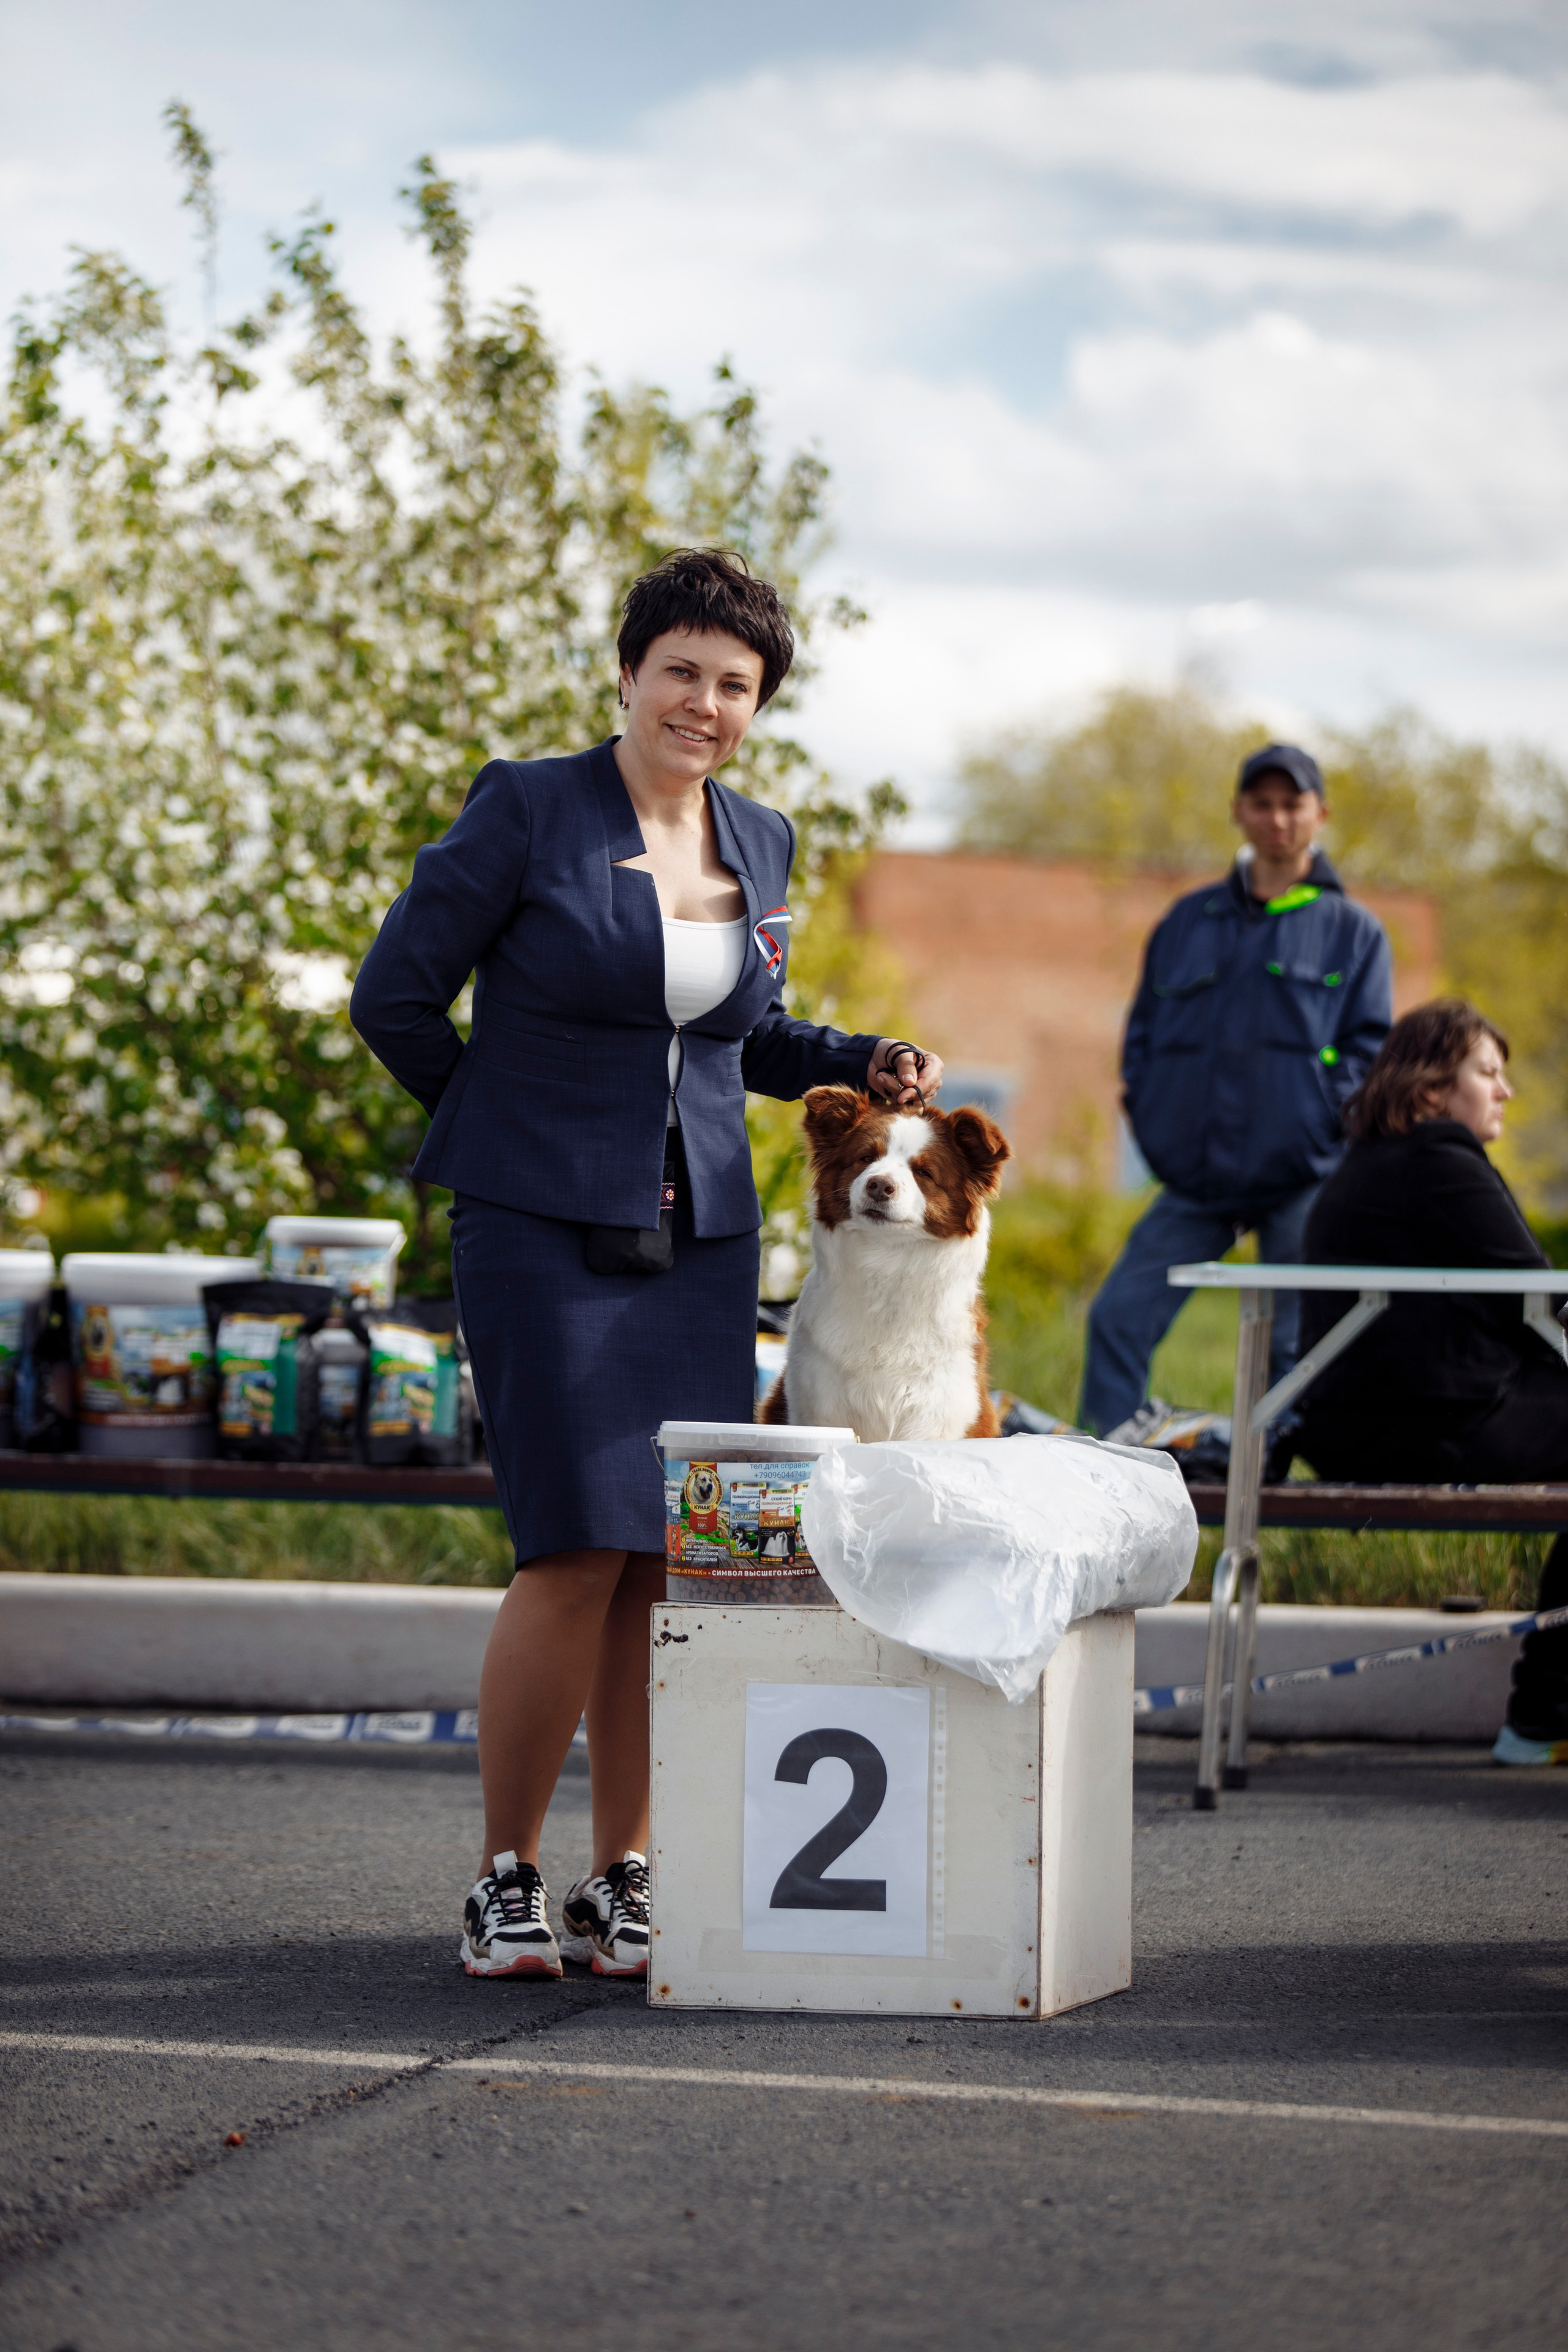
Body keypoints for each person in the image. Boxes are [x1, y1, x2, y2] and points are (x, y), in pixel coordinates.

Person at [350, 548, 946, 1977]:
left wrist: (854, 1057)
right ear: (625, 674)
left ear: (757, 707)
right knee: (567, 1548)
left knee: (663, 1564)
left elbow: (734, 1038)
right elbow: (395, 995)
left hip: (699, 1237)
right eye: (679, 669)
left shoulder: (762, 838)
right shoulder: (528, 804)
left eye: (733, 684)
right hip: (536, 1221)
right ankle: (503, 1874)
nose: (703, 700)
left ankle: (624, 1870)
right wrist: (503, 1122)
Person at [1079, 742, 1392, 1437]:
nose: (1277, 818)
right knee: (1117, 1316)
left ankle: (1267, 1497)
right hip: (1195, 1179)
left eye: (1292, 804)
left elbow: (1370, 1055)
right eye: (1262, 803)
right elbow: (1144, 1040)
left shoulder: (1354, 933)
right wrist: (1156, 1125)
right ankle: (1099, 1483)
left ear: (1319, 814)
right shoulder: (1188, 922)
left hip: (1301, 1179)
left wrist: (1317, 1128)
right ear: (1238, 812)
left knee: (1292, 1349)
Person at [1292, 998, 1568, 1766]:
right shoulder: (1441, 1161)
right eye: (1486, 1072)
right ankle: (1542, 1718)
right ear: (1428, 1092)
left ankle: (1543, 1717)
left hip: (1360, 1431)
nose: (1504, 1091)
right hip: (1429, 1433)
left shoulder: (1371, 1165)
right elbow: (1544, 1297)